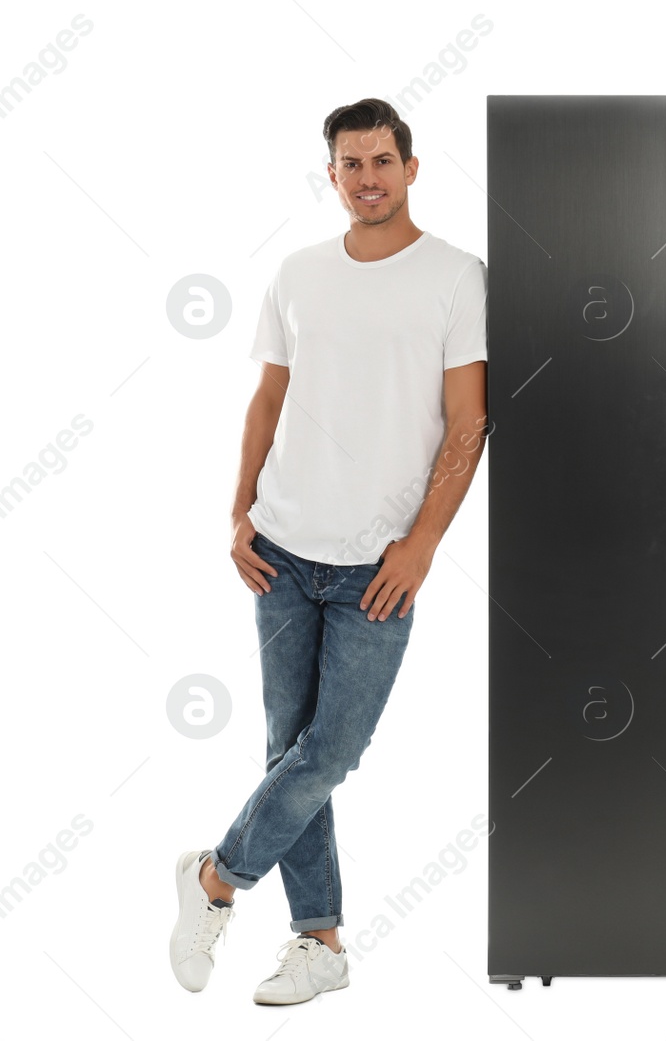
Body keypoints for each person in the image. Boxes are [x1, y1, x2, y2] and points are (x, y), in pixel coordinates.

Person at [169, 98, 488, 1005]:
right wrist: (239, 513)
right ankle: (321, 943)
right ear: (333, 174)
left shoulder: (458, 276)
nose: (368, 178)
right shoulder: (298, 272)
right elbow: (267, 401)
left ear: (413, 168)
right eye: (350, 164)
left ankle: (216, 881)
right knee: (289, 750)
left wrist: (423, 545)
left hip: (375, 566)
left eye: (383, 160)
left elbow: (470, 422)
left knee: (328, 754)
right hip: (280, 549)